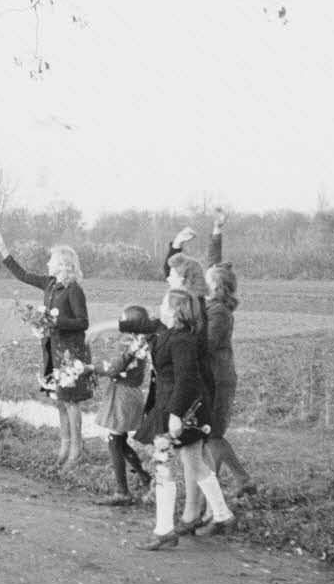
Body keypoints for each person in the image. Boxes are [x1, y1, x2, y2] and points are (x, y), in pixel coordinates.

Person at [139, 290, 236, 549]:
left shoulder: (182, 340)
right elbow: (141, 325)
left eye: (162, 302)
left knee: (163, 466)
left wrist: (174, 415)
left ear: (174, 311)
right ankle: (223, 515)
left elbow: (187, 378)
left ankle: (164, 531)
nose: (158, 306)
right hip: (180, 407)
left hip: (177, 409)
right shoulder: (173, 333)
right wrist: (107, 326)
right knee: (194, 462)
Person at [169, 214, 256, 498]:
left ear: (216, 287)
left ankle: (232, 483)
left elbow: (204, 346)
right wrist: (216, 232)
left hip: (219, 380)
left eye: (207, 281)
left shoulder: (218, 312)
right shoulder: (213, 303)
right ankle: (236, 481)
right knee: (210, 435)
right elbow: (213, 264)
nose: (202, 282)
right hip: (214, 378)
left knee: (212, 434)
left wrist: (179, 342)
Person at [0, 230, 92, 470]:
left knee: (72, 402)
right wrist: (3, 250)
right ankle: (64, 446)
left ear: (62, 265)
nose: (48, 263)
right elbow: (23, 274)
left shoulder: (73, 290)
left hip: (71, 353)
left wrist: (54, 322)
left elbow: (83, 322)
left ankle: (77, 451)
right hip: (52, 350)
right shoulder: (49, 283)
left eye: (51, 260)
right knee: (59, 399)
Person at [87, 305, 155, 505]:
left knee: (114, 440)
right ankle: (143, 476)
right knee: (119, 439)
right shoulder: (143, 341)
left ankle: (122, 491)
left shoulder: (128, 341)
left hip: (122, 394)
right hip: (133, 392)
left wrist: (91, 367)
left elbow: (114, 368)